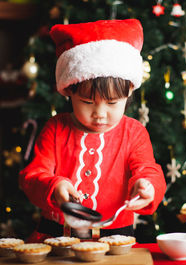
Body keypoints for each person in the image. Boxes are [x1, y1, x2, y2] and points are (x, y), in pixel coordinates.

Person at [19, 19, 166, 242]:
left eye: (112, 103)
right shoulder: (56, 128)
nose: (100, 113)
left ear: (128, 95)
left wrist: (146, 185)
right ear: (69, 92)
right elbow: (32, 177)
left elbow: (148, 170)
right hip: (55, 240)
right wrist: (54, 185)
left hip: (115, 243)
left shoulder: (134, 132)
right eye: (87, 102)